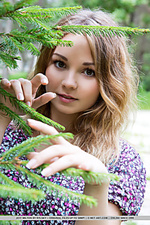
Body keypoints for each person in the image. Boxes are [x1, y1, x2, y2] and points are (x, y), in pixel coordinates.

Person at [0, 9, 146, 225]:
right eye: (60, 64)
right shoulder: (10, 134)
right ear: (45, 65)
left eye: (89, 72)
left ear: (108, 82)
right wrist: (4, 116)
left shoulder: (121, 161)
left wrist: (97, 183)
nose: (69, 82)